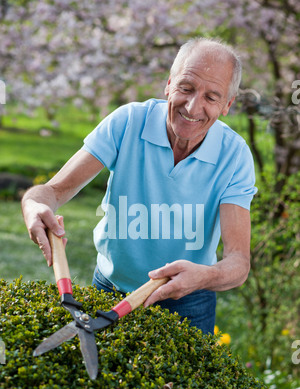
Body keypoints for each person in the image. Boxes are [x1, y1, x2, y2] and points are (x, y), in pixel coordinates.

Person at [21, 37, 257, 335]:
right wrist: (34, 205)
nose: (193, 106)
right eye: (186, 88)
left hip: (188, 300)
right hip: (110, 287)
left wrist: (205, 277)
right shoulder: (128, 122)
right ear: (169, 85)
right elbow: (53, 192)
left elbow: (238, 261)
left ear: (227, 105)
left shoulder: (234, 155)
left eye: (212, 97)